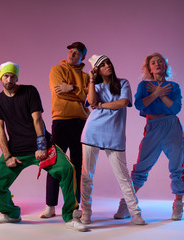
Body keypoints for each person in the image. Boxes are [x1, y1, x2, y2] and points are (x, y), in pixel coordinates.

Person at [0, 61, 88, 232]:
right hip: (16, 151)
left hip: (42, 147)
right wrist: (7, 156)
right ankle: (11, 213)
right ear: (1, 78)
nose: (9, 79)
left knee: (67, 169)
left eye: (12, 76)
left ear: (16, 77)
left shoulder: (29, 91)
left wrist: (41, 146)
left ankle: (71, 216)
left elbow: (37, 119)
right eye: (6, 76)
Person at [114, 52, 184, 221]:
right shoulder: (144, 86)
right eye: (153, 62)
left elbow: (176, 109)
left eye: (160, 61)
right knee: (140, 168)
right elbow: (139, 105)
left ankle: (178, 205)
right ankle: (127, 204)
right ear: (149, 68)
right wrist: (156, 93)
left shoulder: (174, 86)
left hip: (172, 127)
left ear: (165, 66)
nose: (157, 64)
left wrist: (162, 94)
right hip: (153, 127)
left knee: (177, 167)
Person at [80, 55, 145, 225]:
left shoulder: (123, 83)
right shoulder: (96, 85)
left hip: (114, 135)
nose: (107, 65)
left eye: (108, 62)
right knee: (87, 175)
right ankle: (86, 212)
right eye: (102, 65)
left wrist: (101, 106)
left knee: (123, 177)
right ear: (97, 70)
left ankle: (135, 214)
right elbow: (91, 101)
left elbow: (123, 102)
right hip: (92, 132)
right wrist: (92, 80)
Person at [40, 42, 90, 218]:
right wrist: (80, 93)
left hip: (82, 123)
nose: (72, 55)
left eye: (77, 53)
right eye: (70, 51)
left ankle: (75, 205)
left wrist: (73, 88)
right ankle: (50, 205)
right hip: (61, 121)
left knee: (78, 165)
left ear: (82, 57)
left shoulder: (86, 76)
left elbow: (90, 98)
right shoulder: (57, 70)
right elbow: (59, 92)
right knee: (54, 163)